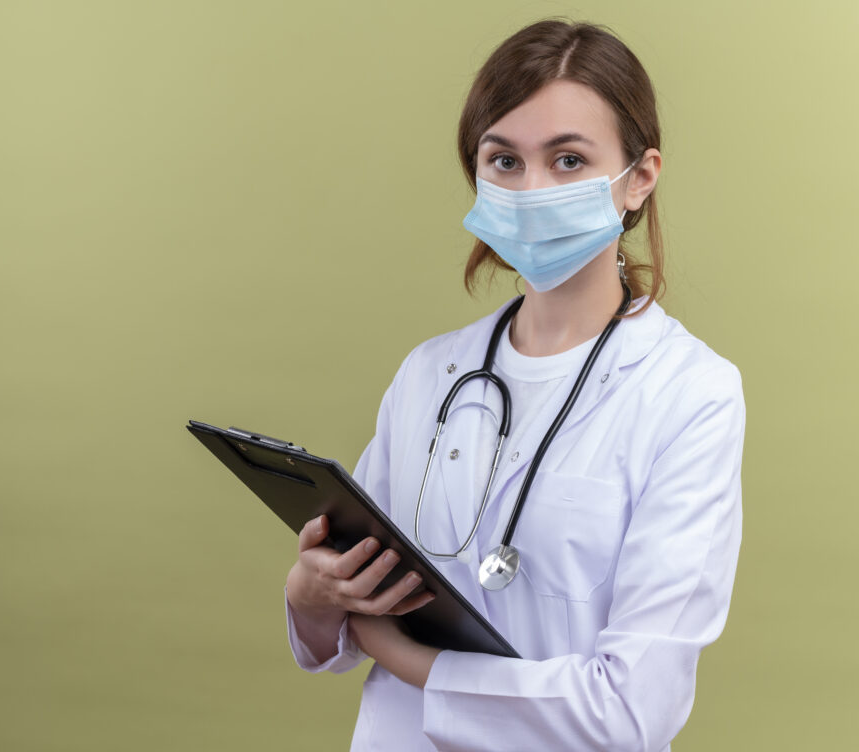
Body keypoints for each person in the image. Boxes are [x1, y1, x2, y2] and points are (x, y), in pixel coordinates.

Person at [285, 19, 745, 752]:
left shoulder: (691, 394)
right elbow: (332, 639)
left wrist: (410, 658)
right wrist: (311, 594)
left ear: (640, 178)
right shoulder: (429, 373)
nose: (532, 189)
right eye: (504, 160)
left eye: (568, 160)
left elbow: (629, 714)